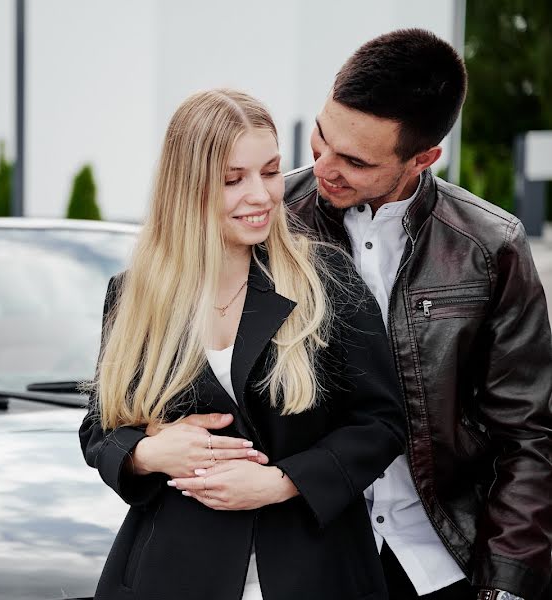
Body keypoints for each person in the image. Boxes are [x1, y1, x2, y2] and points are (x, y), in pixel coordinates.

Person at [79, 88, 406, 600]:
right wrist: (148, 453)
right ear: (186, 186)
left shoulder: (326, 279)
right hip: (172, 572)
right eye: (233, 180)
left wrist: (282, 482)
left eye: (271, 172)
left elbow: (382, 422)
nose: (261, 195)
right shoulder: (135, 294)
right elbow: (99, 429)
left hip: (314, 568)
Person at [284, 28, 552, 600]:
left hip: (441, 560)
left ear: (424, 157)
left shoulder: (490, 246)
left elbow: (528, 436)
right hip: (303, 553)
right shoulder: (270, 227)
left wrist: (506, 585)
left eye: (355, 161)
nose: (326, 168)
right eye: (321, 141)